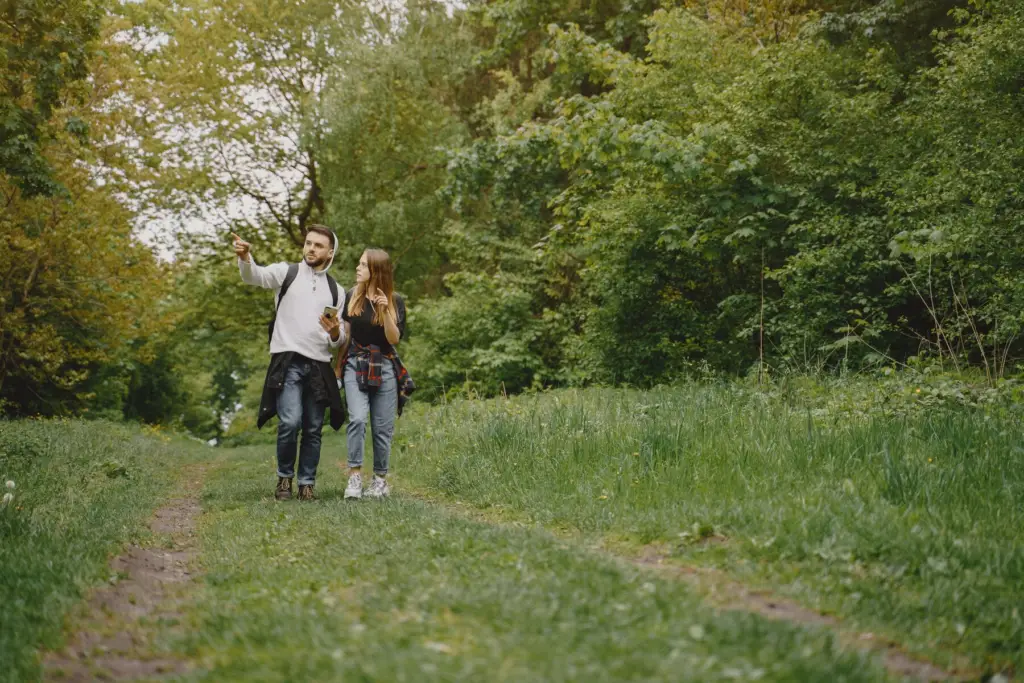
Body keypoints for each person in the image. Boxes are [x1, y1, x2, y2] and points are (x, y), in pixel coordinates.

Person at [233, 224, 346, 501]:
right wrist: (246, 257)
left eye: (318, 245)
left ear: (330, 252)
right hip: (289, 362)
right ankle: (285, 480)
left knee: (312, 429)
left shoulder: (337, 290)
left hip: (319, 365)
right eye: (308, 243)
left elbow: (338, 338)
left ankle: (306, 484)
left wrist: (334, 331)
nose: (311, 248)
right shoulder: (287, 273)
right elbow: (255, 276)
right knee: (290, 421)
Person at [334, 249, 414, 499]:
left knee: (382, 427)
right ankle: (355, 476)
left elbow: (394, 339)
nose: (357, 269)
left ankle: (380, 480)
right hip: (355, 363)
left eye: (362, 265)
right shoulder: (351, 296)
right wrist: (338, 366)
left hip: (385, 365)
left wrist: (386, 311)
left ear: (375, 271)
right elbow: (345, 338)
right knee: (357, 419)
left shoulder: (395, 300)